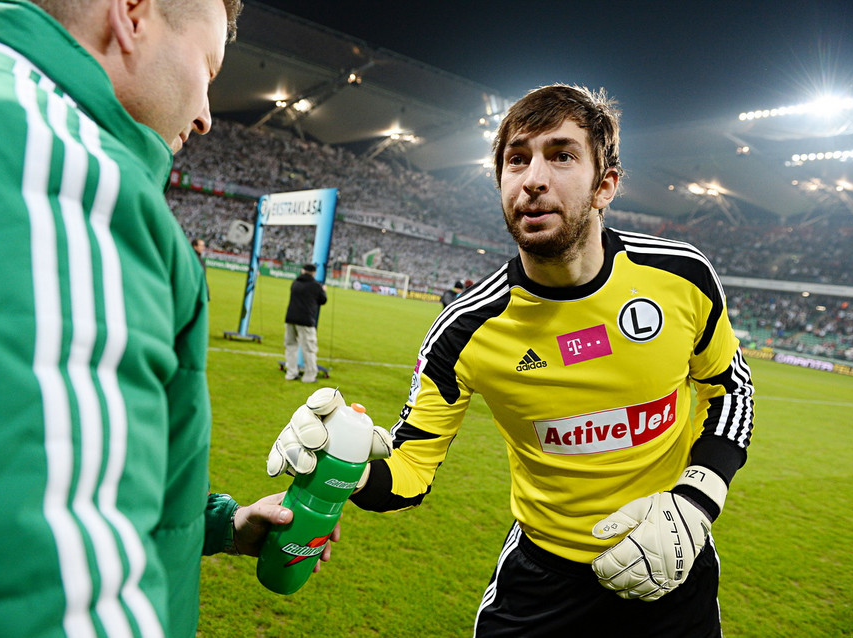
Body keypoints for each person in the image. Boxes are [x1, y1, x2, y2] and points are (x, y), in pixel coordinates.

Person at [0, 2, 334, 637]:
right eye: (208, 69)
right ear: (132, 14)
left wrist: (218, 523)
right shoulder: (58, 175)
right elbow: (33, 586)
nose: (206, 115)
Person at [270, 85, 755, 637]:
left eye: (562, 155)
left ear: (606, 185)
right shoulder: (465, 330)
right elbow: (409, 468)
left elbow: (731, 391)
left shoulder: (681, 277)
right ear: (500, 182)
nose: (533, 179)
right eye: (517, 160)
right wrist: (343, 463)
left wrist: (695, 502)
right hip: (542, 584)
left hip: (674, 567)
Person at [284, 263, 328, 382]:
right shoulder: (316, 286)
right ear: (314, 273)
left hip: (290, 318)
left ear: (303, 271)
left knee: (290, 346)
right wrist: (323, 290)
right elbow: (323, 300)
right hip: (306, 320)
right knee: (308, 349)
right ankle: (309, 376)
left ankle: (291, 373)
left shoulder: (295, 283)